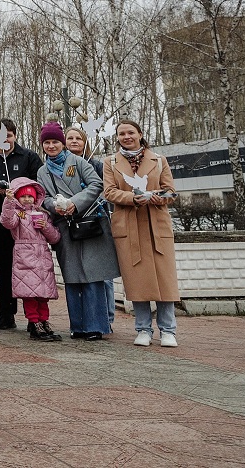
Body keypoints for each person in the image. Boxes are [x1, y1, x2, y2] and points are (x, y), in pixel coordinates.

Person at [37, 121, 119, 340]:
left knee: (93, 275)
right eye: (47, 142)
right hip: (65, 227)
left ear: (62, 143)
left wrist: (75, 203)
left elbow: (96, 184)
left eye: (55, 142)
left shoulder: (78, 162)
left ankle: (97, 325)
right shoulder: (42, 171)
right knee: (72, 277)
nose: (51, 146)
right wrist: (55, 206)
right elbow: (41, 197)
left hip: (90, 223)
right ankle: (78, 326)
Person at [103, 118, 180, 348]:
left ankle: (168, 330)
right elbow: (109, 191)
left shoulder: (159, 160)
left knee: (164, 280)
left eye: (130, 132)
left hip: (156, 224)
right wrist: (131, 198)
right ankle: (143, 329)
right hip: (129, 224)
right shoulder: (111, 162)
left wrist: (160, 197)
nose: (126, 137)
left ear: (140, 133)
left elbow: (171, 191)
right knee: (136, 279)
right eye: (121, 134)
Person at [0, 118, 42, 331]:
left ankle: (34, 318)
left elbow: (38, 185)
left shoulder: (29, 157)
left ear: (15, 135)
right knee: (3, 268)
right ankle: (6, 313)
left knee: (29, 269)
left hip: (26, 224)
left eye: (9, 136)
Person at [0, 178, 62, 341]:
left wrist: (45, 226)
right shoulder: (17, 214)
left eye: (30, 196)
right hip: (25, 257)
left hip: (43, 259)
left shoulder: (43, 214)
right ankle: (34, 322)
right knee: (30, 294)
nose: (27, 199)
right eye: (23, 196)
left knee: (43, 295)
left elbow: (55, 238)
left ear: (36, 197)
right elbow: (7, 222)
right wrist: (9, 201)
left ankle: (44, 321)